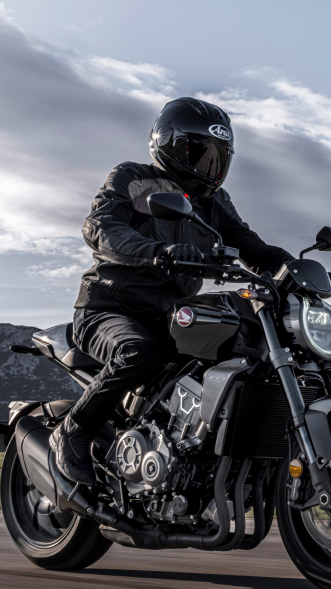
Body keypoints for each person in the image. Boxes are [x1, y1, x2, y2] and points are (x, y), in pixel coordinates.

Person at [50, 97, 309, 484]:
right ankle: (72, 431)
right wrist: (157, 251)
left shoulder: (213, 203)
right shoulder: (132, 178)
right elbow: (101, 227)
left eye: (219, 158)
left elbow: (250, 246)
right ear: (169, 145)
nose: (210, 167)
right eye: (201, 154)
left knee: (239, 353)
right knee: (138, 352)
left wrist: (297, 271)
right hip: (109, 308)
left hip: (170, 317)